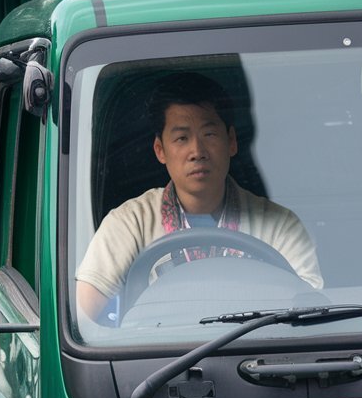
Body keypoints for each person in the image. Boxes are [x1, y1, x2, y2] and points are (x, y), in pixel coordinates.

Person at [75, 72, 323, 321]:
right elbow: (83, 315)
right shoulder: (130, 222)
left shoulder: (279, 226)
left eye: (209, 134)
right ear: (160, 150)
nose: (197, 151)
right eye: (182, 138)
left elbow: (311, 315)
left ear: (232, 141)